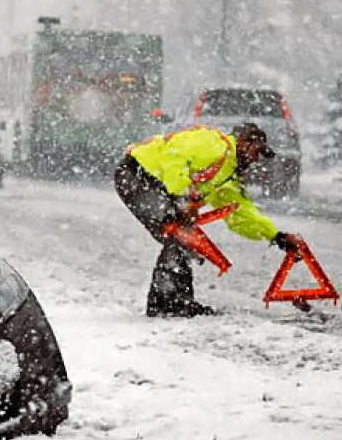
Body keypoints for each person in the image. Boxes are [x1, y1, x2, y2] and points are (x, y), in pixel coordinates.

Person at [114, 122, 300, 317]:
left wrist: (276, 236)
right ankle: (169, 303)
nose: (256, 159)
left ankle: (171, 302)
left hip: (153, 184)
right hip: (136, 174)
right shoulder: (216, 145)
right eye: (257, 151)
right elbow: (174, 155)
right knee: (179, 235)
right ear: (244, 142)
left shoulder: (226, 177)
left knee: (182, 237)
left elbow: (240, 214)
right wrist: (183, 198)